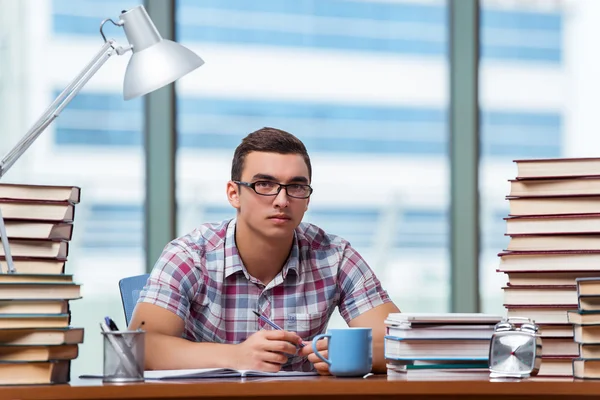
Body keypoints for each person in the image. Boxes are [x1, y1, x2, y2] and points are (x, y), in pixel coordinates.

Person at [130, 127, 400, 374]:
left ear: (307, 199)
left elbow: (400, 342)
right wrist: (236, 356)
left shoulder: (334, 256)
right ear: (234, 193)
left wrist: (355, 353)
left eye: (296, 187)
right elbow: (139, 348)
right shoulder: (189, 255)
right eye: (265, 185)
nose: (282, 201)